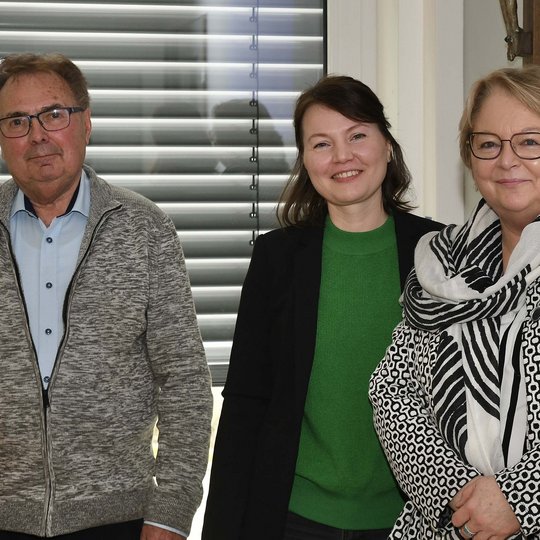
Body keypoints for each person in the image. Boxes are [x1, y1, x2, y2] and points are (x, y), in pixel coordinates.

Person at [202, 75, 444, 540]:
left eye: (357, 135)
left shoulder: (440, 253)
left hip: (415, 521)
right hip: (294, 520)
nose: (342, 157)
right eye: (321, 144)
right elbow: (247, 403)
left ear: (387, 145)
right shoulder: (276, 259)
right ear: (306, 162)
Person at [0, 52, 212, 539]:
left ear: (86, 122)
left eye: (54, 114)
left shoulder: (145, 230)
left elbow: (184, 384)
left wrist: (171, 514)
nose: (37, 136)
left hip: (119, 522)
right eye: (17, 121)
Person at [369, 65, 540, 540]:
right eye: (488, 143)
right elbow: (392, 391)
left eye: (530, 141)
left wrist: (521, 498)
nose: (506, 161)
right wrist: (462, 501)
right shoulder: (443, 263)